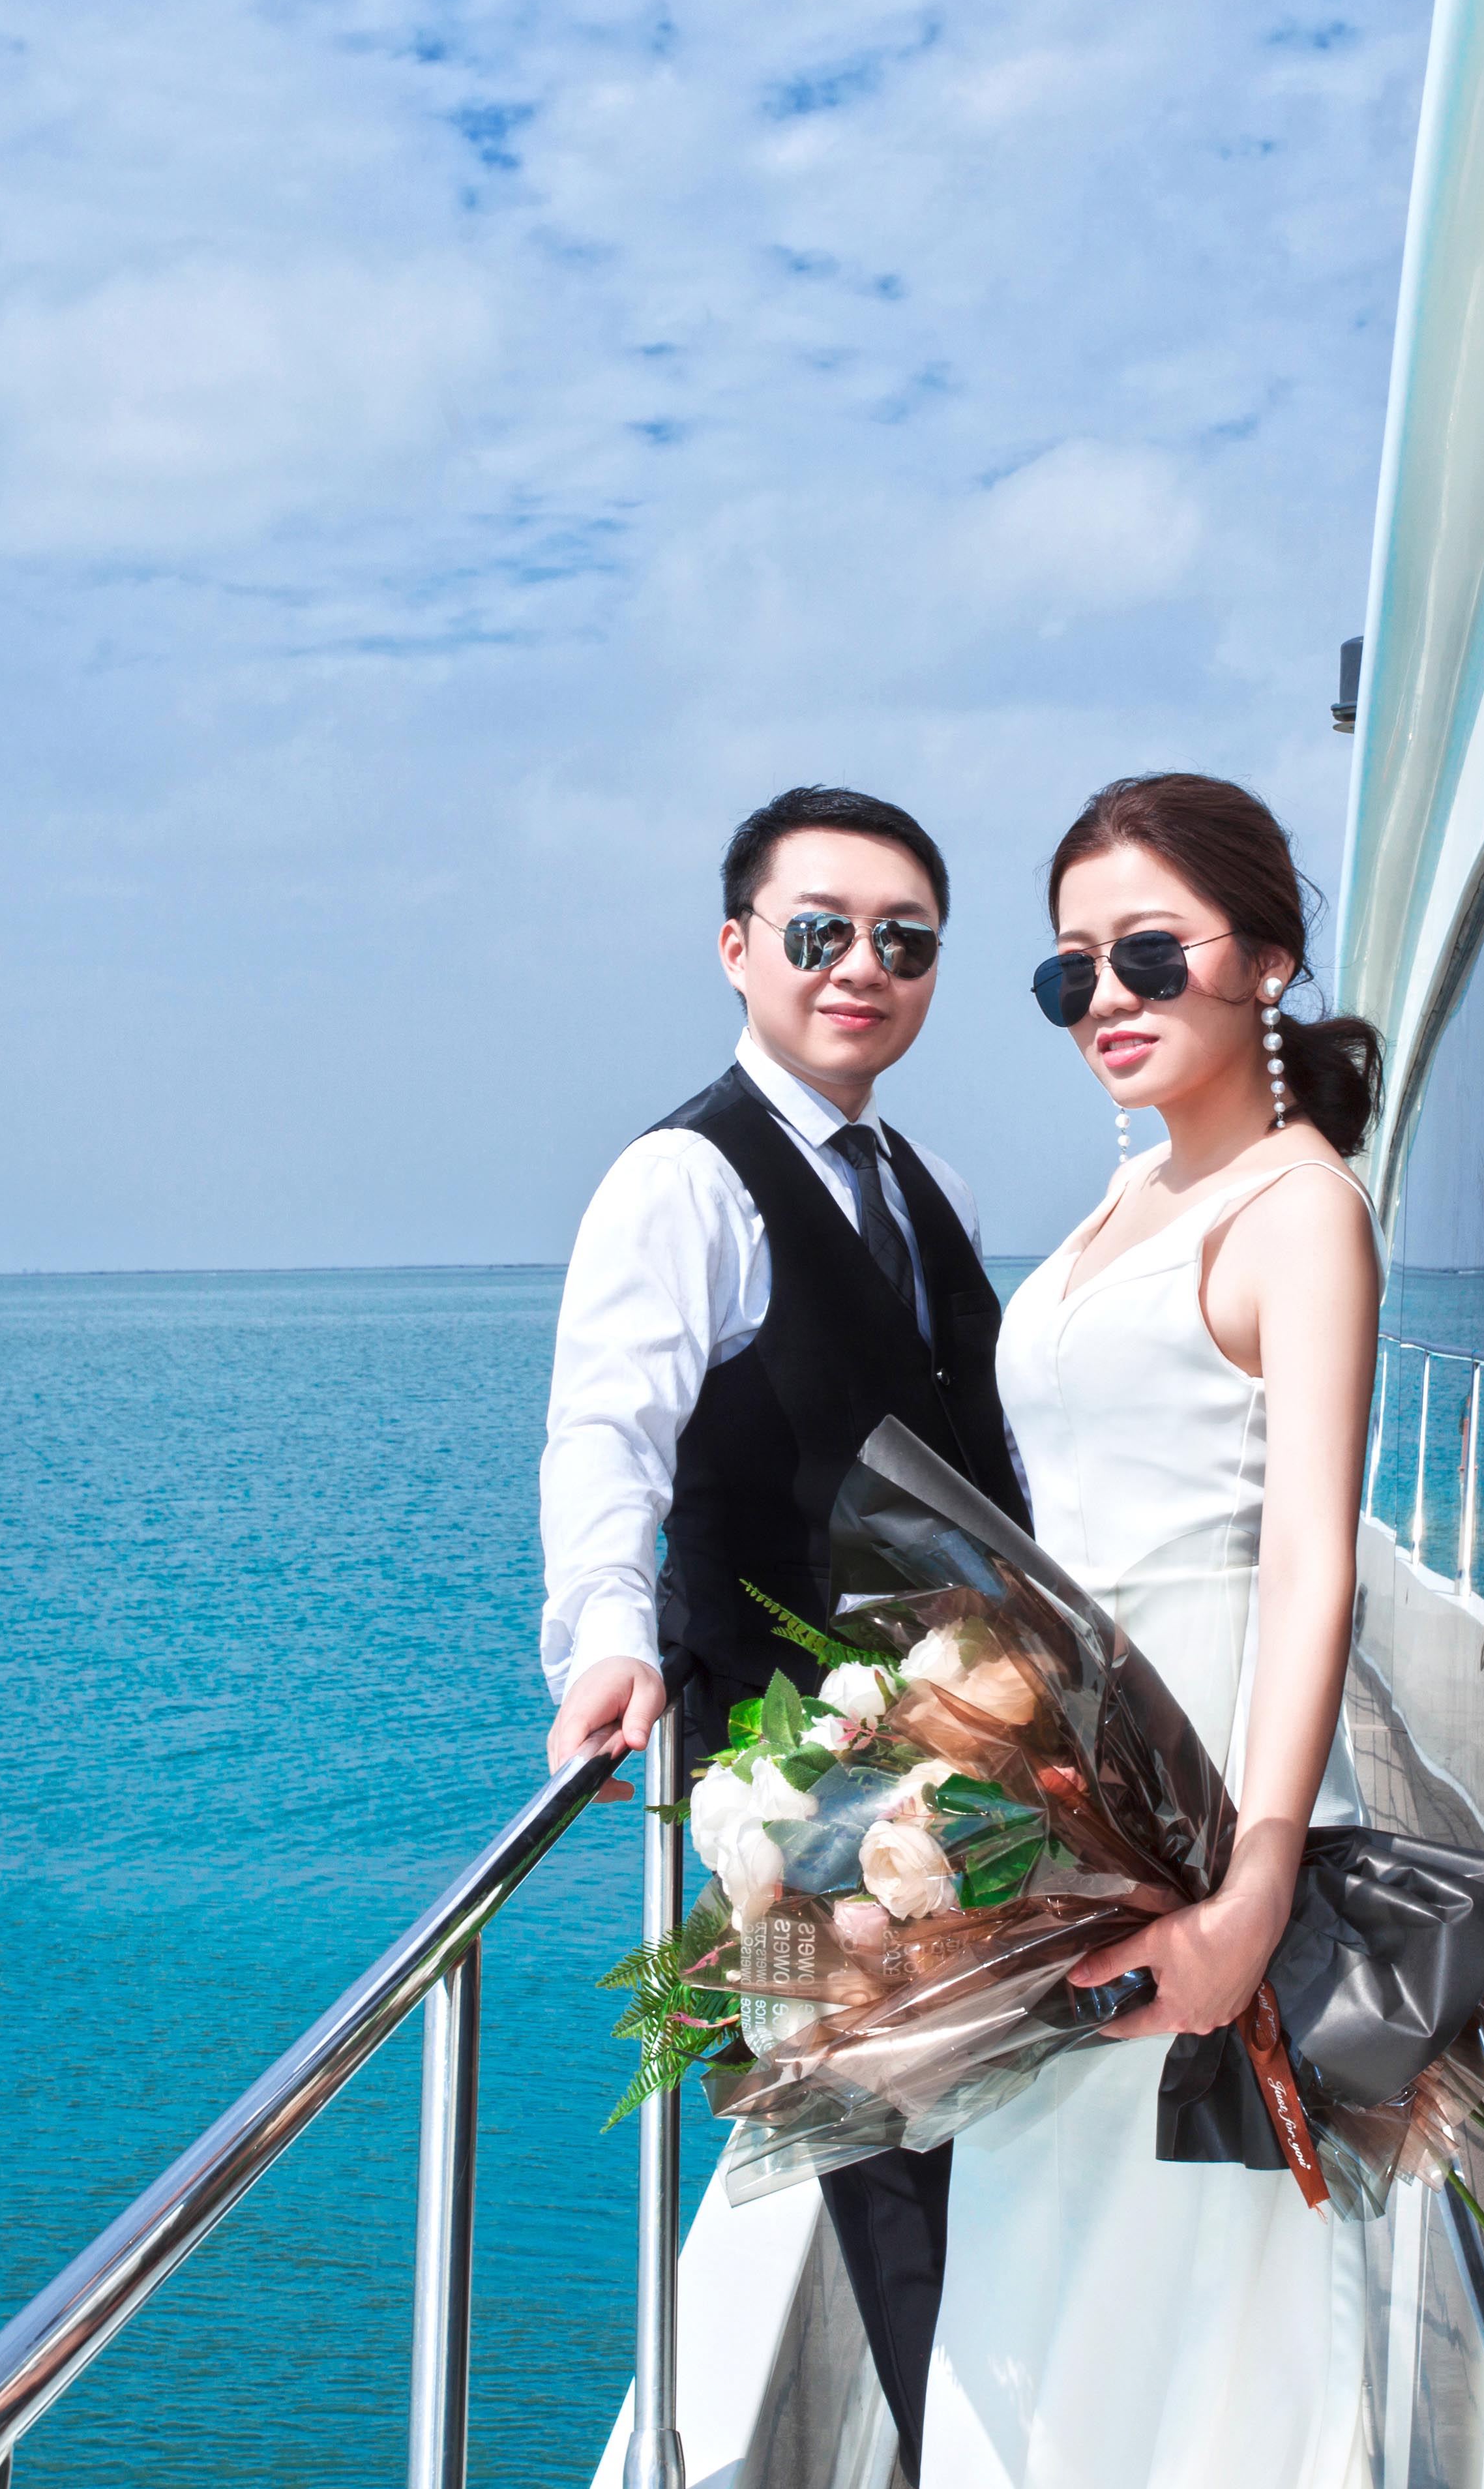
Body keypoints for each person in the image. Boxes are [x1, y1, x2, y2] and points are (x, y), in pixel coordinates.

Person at [537, 784, 1028, 2481]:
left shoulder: (931, 1182)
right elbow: (606, 1432)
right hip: (789, 1788)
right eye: (820, 931)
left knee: (992, 2161)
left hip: (978, 1769)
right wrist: (605, 1642)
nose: (860, 967)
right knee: (888, 2176)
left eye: (904, 940)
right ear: (739, 948)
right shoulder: (681, 1179)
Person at [919, 773, 1389, 2489]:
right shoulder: (1124, 1201)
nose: (1104, 997)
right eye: (1070, 969)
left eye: (1147, 953)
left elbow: (1312, 1564)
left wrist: (1256, 1888)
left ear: (1264, 960)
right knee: (1048, 2281)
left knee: (1199, 2318)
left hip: (1204, 1818)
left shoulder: (1299, 1207)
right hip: (1070, 1816)